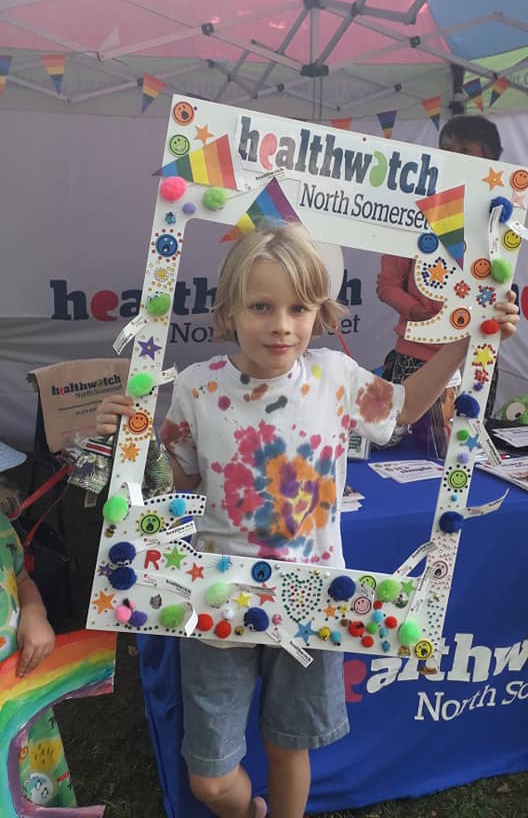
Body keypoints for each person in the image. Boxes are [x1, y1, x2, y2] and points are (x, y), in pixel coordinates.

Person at [96, 221, 518, 818]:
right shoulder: (196, 386)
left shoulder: (334, 377)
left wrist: (471, 337)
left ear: (319, 310)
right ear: (229, 309)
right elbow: (179, 486)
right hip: (217, 598)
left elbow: (403, 407)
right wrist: (129, 441)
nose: (281, 324)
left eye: (298, 307)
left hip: (312, 599)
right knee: (211, 780)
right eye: (262, 306)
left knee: (290, 746)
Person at [377, 114, 504, 428]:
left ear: (490, 161)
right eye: (446, 148)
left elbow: (498, 289)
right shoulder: (417, 211)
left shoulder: (502, 217)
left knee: (464, 447)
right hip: (415, 354)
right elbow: (387, 284)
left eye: (464, 151)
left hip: (476, 355)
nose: (452, 157)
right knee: (401, 439)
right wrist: (416, 311)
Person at [0, 478, 76, 807]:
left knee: (26, 779)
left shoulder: (2, 528)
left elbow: (20, 577)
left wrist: (34, 611)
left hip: (17, 691)